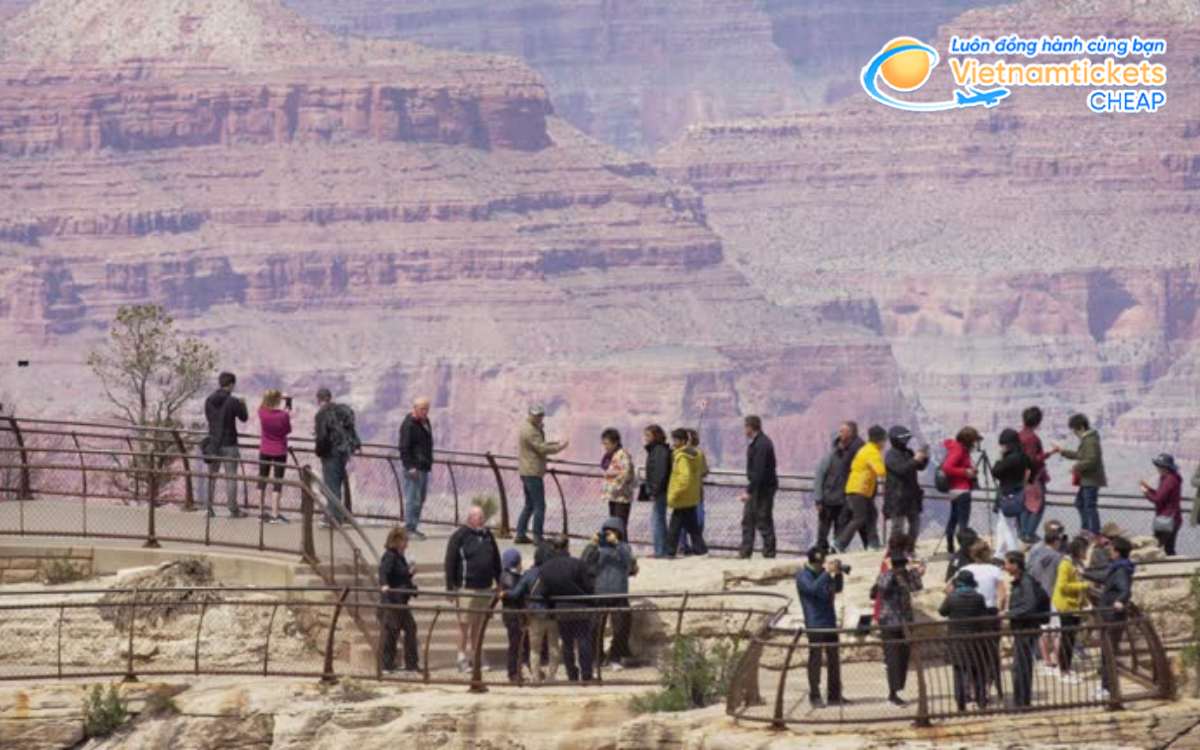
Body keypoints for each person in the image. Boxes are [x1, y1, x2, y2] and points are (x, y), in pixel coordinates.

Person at [444, 505, 502, 673]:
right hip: (466, 588)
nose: (482, 520)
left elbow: (496, 559)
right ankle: (461, 656)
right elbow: (450, 561)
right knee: (464, 624)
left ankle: (477, 654)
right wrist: (450, 587)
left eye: (483, 517)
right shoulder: (459, 536)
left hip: (485, 588)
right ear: (470, 518)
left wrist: (499, 582)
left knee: (479, 624)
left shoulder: (487, 535)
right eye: (479, 517)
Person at [582, 517, 638, 669]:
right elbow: (584, 563)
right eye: (606, 532)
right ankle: (597, 658)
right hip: (598, 593)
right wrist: (592, 545)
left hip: (619, 593)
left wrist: (617, 543)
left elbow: (630, 562)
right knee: (594, 628)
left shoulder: (624, 548)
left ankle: (615, 656)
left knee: (621, 628)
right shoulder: (597, 548)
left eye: (613, 531)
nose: (609, 535)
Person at [539, 535, 596, 682]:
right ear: (567, 547)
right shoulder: (578, 564)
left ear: (554, 548)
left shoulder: (546, 568)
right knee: (584, 641)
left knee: (567, 643)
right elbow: (589, 587)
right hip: (581, 608)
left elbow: (544, 592)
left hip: (561, 610)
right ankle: (587, 674)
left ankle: (571, 674)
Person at [795, 547, 845, 708]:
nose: (822, 566)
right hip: (815, 623)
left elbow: (837, 589)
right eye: (819, 564)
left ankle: (834, 694)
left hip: (829, 620)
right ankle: (814, 695)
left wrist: (838, 574)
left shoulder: (823, 574)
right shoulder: (803, 576)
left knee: (834, 659)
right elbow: (813, 589)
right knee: (815, 659)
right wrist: (826, 574)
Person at [872, 553, 922, 706]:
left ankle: (898, 688)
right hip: (889, 622)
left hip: (905, 622)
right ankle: (892, 693)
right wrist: (889, 570)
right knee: (893, 658)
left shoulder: (906, 576)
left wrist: (916, 573)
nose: (901, 569)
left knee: (903, 657)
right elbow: (882, 587)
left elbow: (916, 587)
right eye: (899, 566)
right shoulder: (887, 576)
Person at [515, 405, 569, 545]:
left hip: (527, 470)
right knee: (540, 505)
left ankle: (520, 533)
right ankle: (537, 537)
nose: (540, 418)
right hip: (532, 472)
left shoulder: (529, 427)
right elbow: (541, 448)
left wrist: (551, 442)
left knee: (529, 505)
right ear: (531, 415)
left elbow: (538, 446)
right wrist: (559, 447)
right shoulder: (530, 430)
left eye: (541, 415)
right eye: (538, 415)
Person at [506, 542, 558, 683]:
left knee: (535, 649)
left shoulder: (530, 574)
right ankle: (552, 677)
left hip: (535, 615)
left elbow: (516, 593)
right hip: (553, 614)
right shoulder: (555, 574)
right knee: (553, 647)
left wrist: (504, 593)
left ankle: (535, 677)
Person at [939, 569, 991, 710]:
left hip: (957, 640)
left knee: (959, 672)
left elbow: (942, 612)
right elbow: (983, 613)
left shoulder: (952, 597)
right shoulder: (978, 597)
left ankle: (961, 704)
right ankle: (981, 702)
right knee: (978, 671)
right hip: (976, 639)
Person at [1005, 550, 1048, 709]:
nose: (1005, 566)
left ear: (1015, 565)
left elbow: (1029, 605)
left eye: (1007, 563)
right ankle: (1022, 701)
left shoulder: (1026, 582)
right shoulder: (1022, 581)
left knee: (1021, 667)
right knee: (1021, 666)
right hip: (1022, 629)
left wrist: (1009, 614)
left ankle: (1022, 703)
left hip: (1026, 629)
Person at [835, 425, 886, 553]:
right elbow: (880, 470)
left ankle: (873, 543)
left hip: (860, 489)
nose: (885, 443)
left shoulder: (866, 449)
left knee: (871, 515)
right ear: (879, 440)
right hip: (859, 489)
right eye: (884, 440)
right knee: (859, 518)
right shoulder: (872, 452)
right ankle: (840, 543)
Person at [204, 372, 249, 518]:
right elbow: (244, 418)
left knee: (212, 476)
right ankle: (233, 509)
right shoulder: (233, 401)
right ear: (231, 384)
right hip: (229, 443)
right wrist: (243, 404)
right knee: (231, 477)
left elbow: (210, 419)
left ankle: (208, 509)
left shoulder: (209, 400)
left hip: (213, 443)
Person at [1053, 414, 1107, 535]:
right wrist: (1063, 452)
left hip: (1091, 479)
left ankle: (1093, 531)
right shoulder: (1088, 439)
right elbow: (1080, 455)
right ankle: (1086, 527)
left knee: (1089, 506)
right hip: (1087, 479)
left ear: (1081, 427)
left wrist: (1077, 467)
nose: (1075, 434)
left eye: (1075, 431)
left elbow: (1092, 459)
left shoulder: (1090, 440)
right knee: (1080, 503)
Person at [812, 422, 862, 552]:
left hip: (844, 501)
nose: (840, 433)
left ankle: (835, 560)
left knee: (839, 534)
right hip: (828, 500)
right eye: (840, 431)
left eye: (842, 431)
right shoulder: (830, 456)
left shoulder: (855, 455)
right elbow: (819, 476)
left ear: (850, 434)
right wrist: (818, 499)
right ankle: (820, 557)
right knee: (822, 534)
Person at [314, 387, 361, 525]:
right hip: (343, 452)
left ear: (319, 399)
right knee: (338, 483)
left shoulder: (322, 414)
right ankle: (339, 514)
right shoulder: (342, 410)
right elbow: (351, 429)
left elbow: (322, 437)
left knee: (331, 485)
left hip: (330, 453)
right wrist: (356, 445)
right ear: (330, 397)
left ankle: (333, 518)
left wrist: (319, 451)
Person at [1097, 536, 1135, 700]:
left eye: (1111, 550)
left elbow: (1125, 589)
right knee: (1107, 652)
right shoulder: (1118, 567)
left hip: (1112, 617)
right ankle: (1107, 687)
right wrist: (1083, 573)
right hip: (1110, 616)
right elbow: (1103, 577)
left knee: (1109, 653)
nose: (1109, 552)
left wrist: (1120, 601)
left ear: (1117, 552)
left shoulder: (1120, 570)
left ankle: (1108, 689)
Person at [1027, 520, 1066, 672]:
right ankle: (1057, 660)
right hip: (1054, 595)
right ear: (1056, 541)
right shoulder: (1058, 557)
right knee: (1057, 632)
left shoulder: (1036, 554)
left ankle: (1046, 661)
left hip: (1039, 596)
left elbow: (1030, 573)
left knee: (1043, 631)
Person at [378, 527, 419, 673]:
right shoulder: (390, 556)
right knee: (391, 633)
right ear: (397, 540)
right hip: (392, 601)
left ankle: (411, 664)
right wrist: (384, 585)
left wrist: (410, 575)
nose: (407, 543)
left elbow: (401, 577)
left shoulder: (400, 557)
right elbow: (383, 572)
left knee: (410, 628)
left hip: (401, 600)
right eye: (405, 539)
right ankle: (386, 665)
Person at [1052, 536, 1091, 684]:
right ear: (1078, 550)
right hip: (1066, 605)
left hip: (1075, 604)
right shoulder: (1065, 564)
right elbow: (1063, 586)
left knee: (1070, 637)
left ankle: (1065, 667)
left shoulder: (1076, 563)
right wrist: (1084, 586)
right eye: (1084, 549)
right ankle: (1064, 670)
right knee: (1067, 638)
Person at [739, 415, 779, 559]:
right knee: (748, 519)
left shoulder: (762, 444)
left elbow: (760, 471)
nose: (744, 430)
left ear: (750, 427)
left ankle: (769, 553)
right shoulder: (758, 442)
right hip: (757, 487)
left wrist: (749, 491)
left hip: (763, 489)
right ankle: (745, 552)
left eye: (745, 426)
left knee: (763, 520)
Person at [990, 428, 1031, 558]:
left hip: (1007, 493)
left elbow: (995, 472)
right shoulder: (1023, 456)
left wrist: (999, 457)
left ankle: (1014, 553)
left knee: (1008, 526)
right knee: (1002, 523)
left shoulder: (1011, 459)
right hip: (1018, 492)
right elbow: (1030, 471)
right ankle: (999, 554)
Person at [883, 425, 929, 540]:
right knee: (897, 527)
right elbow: (901, 469)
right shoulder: (891, 455)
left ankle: (910, 548)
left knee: (915, 523)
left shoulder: (908, 452)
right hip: (897, 497)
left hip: (911, 495)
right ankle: (895, 551)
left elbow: (919, 467)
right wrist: (914, 460)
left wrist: (924, 457)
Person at [666, 428, 707, 557]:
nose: (673, 442)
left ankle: (670, 551)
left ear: (683, 440)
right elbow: (703, 470)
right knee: (693, 526)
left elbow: (685, 477)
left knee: (674, 526)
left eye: (676, 440)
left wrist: (674, 493)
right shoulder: (698, 454)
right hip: (692, 496)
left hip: (682, 497)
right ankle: (700, 549)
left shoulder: (681, 457)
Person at [941, 427, 981, 555]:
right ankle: (963, 549)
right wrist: (966, 472)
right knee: (963, 522)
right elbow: (947, 467)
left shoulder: (956, 447)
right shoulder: (959, 449)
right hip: (962, 489)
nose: (975, 444)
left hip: (954, 490)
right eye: (974, 441)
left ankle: (950, 546)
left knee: (953, 518)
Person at [398, 397, 433, 540]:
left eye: (427, 409)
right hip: (414, 468)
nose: (425, 412)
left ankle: (414, 526)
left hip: (423, 466)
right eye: (422, 409)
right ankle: (409, 529)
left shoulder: (425, 422)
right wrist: (410, 466)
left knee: (420, 499)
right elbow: (404, 448)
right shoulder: (409, 425)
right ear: (415, 408)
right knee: (413, 499)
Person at [257, 388, 291, 524]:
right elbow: (287, 430)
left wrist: (275, 396)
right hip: (279, 451)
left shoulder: (261, 412)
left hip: (264, 449)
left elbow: (262, 404)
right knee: (277, 482)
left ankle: (260, 512)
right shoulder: (283, 415)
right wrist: (287, 406)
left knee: (262, 479)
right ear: (277, 400)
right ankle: (275, 514)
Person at [1018, 407, 1051, 543]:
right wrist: (1049, 453)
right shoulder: (1032, 438)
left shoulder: (1019, 435)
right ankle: (1028, 533)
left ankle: (1023, 533)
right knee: (1038, 506)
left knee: (1026, 504)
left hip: (1021, 477)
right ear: (1038, 421)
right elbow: (1032, 460)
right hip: (1033, 478)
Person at [1140, 453, 1183, 556]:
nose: (1157, 468)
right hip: (1173, 519)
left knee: (1155, 547)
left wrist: (1145, 493)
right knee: (1169, 548)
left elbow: (1157, 499)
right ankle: (1175, 570)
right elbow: (1162, 494)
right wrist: (1149, 488)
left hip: (1167, 520)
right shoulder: (1171, 478)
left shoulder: (1169, 480)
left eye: (1159, 466)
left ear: (1165, 467)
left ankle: (1154, 569)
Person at [499, 548, 530, 683]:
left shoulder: (507, 575)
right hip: (513, 615)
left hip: (514, 614)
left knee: (520, 644)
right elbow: (516, 594)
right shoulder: (510, 577)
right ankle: (513, 672)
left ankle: (519, 670)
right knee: (515, 645)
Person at [642, 425, 672, 558]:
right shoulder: (656, 450)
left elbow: (660, 472)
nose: (646, 438)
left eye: (648, 435)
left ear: (655, 436)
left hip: (660, 491)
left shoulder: (659, 451)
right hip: (659, 490)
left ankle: (660, 551)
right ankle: (661, 549)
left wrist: (654, 490)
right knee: (658, 519)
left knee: (657, 520)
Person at [599, 428, 636, 530]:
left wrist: (614, 488)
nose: (605, 447)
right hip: (614, 497)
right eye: (604, 444)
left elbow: (626, 473)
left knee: (619, 527)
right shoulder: (613, 455)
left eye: (607, 444)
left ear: (615, 443)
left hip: (621, 497)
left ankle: (622, 546)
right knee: (614, 527)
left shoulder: (622, 455)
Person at [682, 428, 709, 555]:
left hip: (694, 492)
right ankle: (685, 546)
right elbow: (704, 471)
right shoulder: (685, 454)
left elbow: (704, 471)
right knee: (692, 520)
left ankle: (690, 545)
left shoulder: (697, 454)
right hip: (690, 492)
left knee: (695, 520)